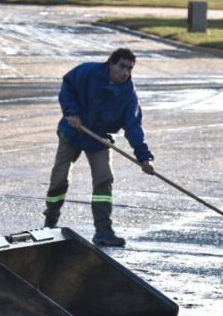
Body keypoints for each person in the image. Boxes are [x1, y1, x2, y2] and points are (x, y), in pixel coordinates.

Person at [42, 48, 154, 247]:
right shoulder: (88, 72)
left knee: (104, 179)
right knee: (60, 178)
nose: (125, 72)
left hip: (98, 139)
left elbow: (133, 126)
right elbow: (68, 85)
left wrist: (144, 157)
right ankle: (50, 222)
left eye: (129, 68)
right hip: (73, 132)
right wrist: (72, 112)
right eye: (122, 66)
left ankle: (103, 231)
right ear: (111, 63)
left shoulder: (128, 95)